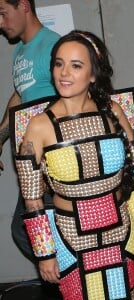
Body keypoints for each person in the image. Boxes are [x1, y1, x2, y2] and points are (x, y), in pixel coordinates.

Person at [14, 29, 134, 299]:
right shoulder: (38, 126)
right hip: (69, 237)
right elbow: (32, 201)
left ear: (93, 74)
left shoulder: (114, 112)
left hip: (120, 231)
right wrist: (45, 255)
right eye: (59, 63)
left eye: (76, 65)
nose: (64, 73)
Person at [0, 0, 60, 261]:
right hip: (32, 163)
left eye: (3, 14)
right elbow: (19, 96)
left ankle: (74, 278)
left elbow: (73, 96)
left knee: (31, 231)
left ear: (24, 5)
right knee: (25, 230)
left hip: (52, 161)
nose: (0, 24)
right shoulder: (21, 52)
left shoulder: (52, 46)